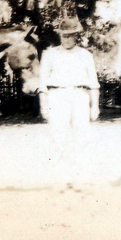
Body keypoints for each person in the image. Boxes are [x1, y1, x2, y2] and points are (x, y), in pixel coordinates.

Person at [39, 17, 100, 163]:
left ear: (76, 36)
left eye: (70, 36)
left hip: (79, 95)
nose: (66, 39)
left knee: (82, 133)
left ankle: (81, 167)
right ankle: (59, 168)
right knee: (58, 133)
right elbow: (43, 83)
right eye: (63, 36)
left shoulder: (85, 55)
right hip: (57, 95)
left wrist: (95, 106)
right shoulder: (50, 54)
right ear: (60, 35)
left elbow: (94, 84)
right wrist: (44, 105)